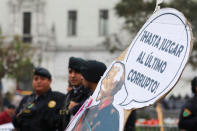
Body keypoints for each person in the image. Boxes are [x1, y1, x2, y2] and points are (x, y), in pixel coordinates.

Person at [73, 61, 124, 131]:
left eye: (84, 75)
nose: (81, 78)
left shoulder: (109, 111)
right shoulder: (91, 100)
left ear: (91, 77)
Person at [12, 67, 66, 131]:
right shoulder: (26, 99)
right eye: (36, 79)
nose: (38, 81)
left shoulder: (59, 98)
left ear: (50, 81)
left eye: (42, 79)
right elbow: (15, 121)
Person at [59, 57, 91, 130]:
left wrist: (80, 107)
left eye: (77, 72)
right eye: (70, 72)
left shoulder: (89, 93)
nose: (73, 75)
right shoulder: (69, 95)